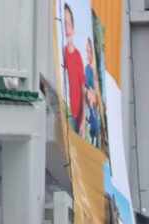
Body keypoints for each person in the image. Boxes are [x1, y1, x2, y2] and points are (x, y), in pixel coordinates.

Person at [61, 4, 85, 134]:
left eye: (69, 23)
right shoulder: (62, 53)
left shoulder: (78, 56)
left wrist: (82, 121)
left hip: (76, 117)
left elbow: (83, 90)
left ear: (73, 27)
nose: (66, 28)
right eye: (64, 23)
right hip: (66, 111)